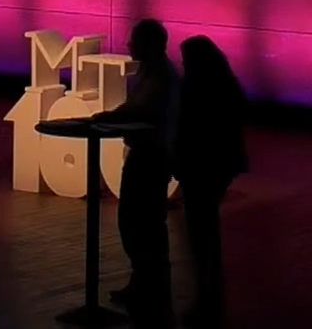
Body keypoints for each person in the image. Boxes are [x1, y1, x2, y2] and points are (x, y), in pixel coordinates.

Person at [91, 18, 178, 315]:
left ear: (148, 44)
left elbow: (139, 109)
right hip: (149, 154)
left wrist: (107, 117)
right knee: (143, 222)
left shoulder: (159, 76)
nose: (128, 44)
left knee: (140, 221)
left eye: (135, 40)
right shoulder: (155, 73)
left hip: (149, 157)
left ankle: (149, 284)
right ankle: (148, 283)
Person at [175, 36, 249, 327]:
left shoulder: (194, 88)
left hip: (199, 166)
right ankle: (211, 297)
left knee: (199, 233)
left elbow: (187, 128)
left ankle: (206, 298)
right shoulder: (227, 85)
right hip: (219, 166)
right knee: (207, 231)